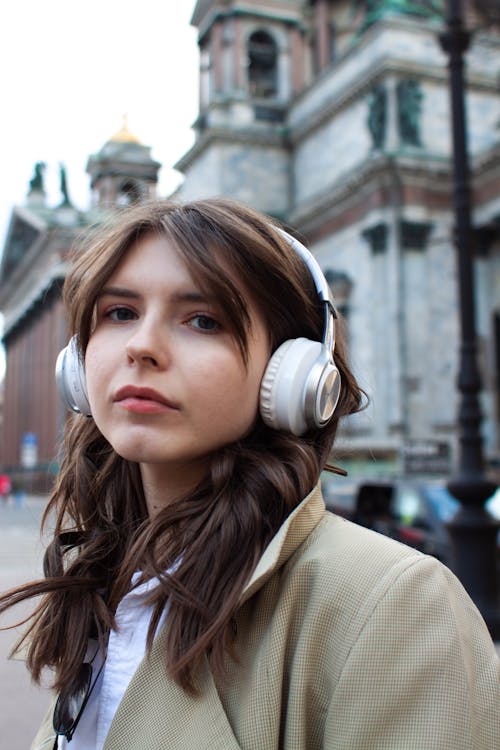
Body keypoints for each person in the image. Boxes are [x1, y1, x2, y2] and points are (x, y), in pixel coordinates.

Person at [0, 198, 498, 750]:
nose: (141, 345)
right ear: (77, 364)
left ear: (293, 377)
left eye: (203, 320)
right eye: (120, 313)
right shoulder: (110, 588)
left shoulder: (392, 605)